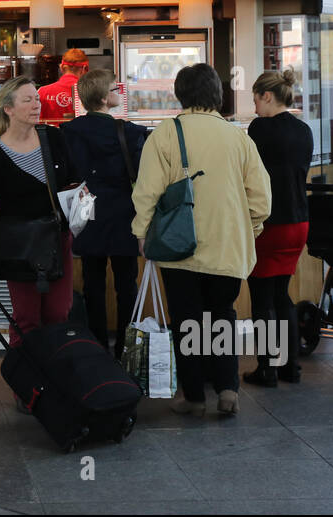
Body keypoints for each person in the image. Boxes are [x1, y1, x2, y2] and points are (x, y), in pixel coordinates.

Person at [131, 63, 270, 417]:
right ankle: (227, 390)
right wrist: (249, 228)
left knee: (186, 319)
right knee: (222, 315)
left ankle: (193, 396)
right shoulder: (238, 136)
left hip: (180, 246)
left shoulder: (165, 134)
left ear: (180, 94)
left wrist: (141, 232)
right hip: (228, 244)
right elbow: (261, 197)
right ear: (217, 94)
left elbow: (146, 190)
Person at [0, 76, 80, 408]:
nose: (36, 104)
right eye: (27, 100)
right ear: (9, 109)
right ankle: (26, 388)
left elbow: (73, 178)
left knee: (59, 313)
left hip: (58, 240)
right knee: (26, 319)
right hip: (20, 247)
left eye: (36, 99)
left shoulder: (53, 138)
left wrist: (81, 200)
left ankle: (56, 381)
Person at [61, 68, 149, 359]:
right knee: (127, 285)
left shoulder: (68, 132)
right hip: (124, 216)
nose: (118, 93)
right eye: (115, 89)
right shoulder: (130, 132)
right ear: (102, 97)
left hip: (87, 217)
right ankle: (126, 350)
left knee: (93, 285)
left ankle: (97, 348)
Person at [244, 69, 313, 387]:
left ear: (267, 96)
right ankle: (291, 366)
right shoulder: (304, 130)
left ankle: (267, 368)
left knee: (262, 298)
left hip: (268, 224)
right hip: (298, 222)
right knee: (282, 294)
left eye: (255, 98)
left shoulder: (259, 129)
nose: (254, 106)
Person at [37, 47, 89, 124]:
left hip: (50, 136)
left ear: (61, 67)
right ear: (84, 68)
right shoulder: (90, 92)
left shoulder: (42, 92)